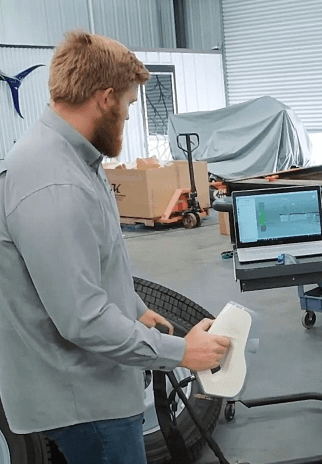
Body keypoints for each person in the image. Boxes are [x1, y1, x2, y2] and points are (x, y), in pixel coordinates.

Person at [0, 30, 231, 464]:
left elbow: (90, 262)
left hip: (94, 383)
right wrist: (182, 353)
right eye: (127, 105)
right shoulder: (54, 183)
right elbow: (82, 319)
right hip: (87, 402)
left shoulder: (74, 159)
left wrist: (133, 307)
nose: (126, 116)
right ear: (105, 99)